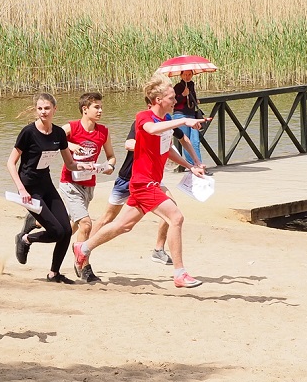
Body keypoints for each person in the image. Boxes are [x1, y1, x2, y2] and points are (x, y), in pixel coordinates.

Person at [72, 75, 208, 288]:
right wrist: (184, 120)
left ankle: (83, 248)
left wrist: (191, 166)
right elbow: (151, 130)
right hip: (144, 183)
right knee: (176, 217)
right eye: (171, 98)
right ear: (158, 100)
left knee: (122, 226)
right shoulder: (144, 117)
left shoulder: (166, 120)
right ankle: (180, 273)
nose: (175, 101)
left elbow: (167, 150)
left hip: (148, 182)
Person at [8, 93, 95, 284]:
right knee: (56, 232)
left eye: (47, 108)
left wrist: (85, 166)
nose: (43, 112)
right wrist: (21, 189)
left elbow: (70, 164)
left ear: (55, 109)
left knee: (66, 231)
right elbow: (10, 163)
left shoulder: (58, 134)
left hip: (46, 184)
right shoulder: (28, 132)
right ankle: (25, 239)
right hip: (29, 188)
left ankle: (54, 274)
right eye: (40, 108)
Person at [89, 116, 197, 268]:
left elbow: (183, 137)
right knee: (108, 218)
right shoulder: (143, 122)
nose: (172, 105)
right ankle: (84, 249)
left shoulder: (167, 121)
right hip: (127, 178)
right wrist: (152, 145)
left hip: (150, 179)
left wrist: (195, 161)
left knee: (172, 208)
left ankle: (158, 249)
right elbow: (128, 144)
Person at [59, 92, 114, 283]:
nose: (100, 110)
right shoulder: (71, 127)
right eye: (96, 107)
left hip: (89, 185)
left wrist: (109, 166)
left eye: (101, 107)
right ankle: (83, 266)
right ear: (85, 109)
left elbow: (111, 156)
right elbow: (51, 138)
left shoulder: (103, 132)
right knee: (86, 224)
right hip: (69, 183)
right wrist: (70, 145)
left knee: (70, 227)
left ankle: (34, 223)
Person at [172, 71, 204, 167]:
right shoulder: (178, 86)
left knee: (195, 141)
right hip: (180, 115)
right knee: (186, 141)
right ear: (181, 75)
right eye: (185, 74)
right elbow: (173, 102)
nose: (187, 76)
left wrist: (195, 99)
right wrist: (183, 95)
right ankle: (193, 166)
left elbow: (192, 100)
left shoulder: (191, 85)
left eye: (189, 74)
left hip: (191, 115)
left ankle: (199, 164)